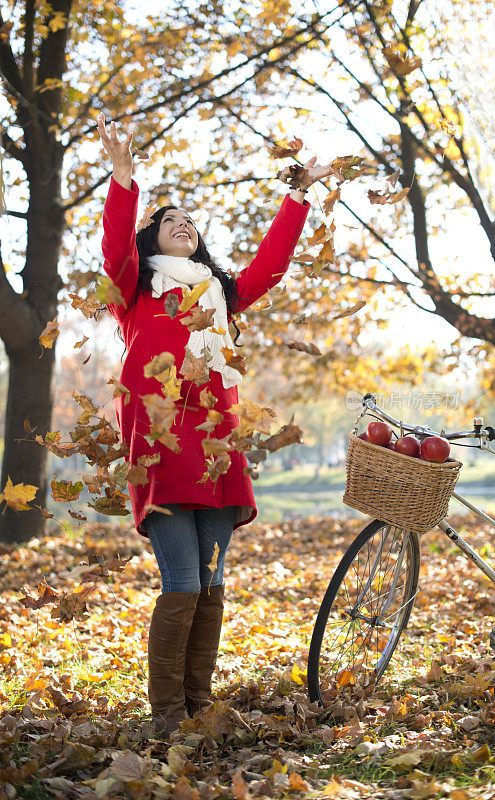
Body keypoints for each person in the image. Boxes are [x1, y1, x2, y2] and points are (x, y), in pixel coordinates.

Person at [97, 112, 333, 736]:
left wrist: (297, 196)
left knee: (211, 579)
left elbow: (269, 265)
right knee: (181, 579)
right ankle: (168, 714)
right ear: (153, 243)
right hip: (160, 446)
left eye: (190, 223)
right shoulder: (136, 292)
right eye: (169, 221)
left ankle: (196, 705)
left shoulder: (221, 295)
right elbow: (114, 247)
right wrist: (124, 183)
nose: (184, 225)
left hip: (217, 451)